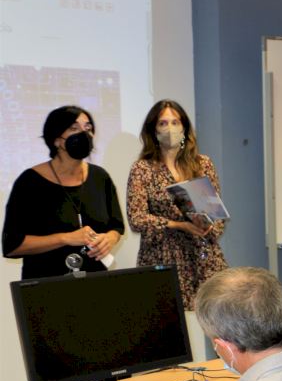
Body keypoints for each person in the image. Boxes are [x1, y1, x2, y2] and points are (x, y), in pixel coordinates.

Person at [126, 99, 228, 309]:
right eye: (163, 123)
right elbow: (137, 219)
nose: (170, 128)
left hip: (203, 258)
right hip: (163, 257)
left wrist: (208, 225)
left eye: (175, 122)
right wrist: (178, 225)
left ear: (184, 127)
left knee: (212, 318)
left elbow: (216, 217)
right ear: (153, 129)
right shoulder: (142, 169)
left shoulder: (202, 164)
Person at [2, 106, 124, 279]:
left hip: (95, 281)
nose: (84, 134)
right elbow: (12, 246)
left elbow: (116, 227)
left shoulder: (100, 177)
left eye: (88, 128)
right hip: (45, 284)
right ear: (57, 140)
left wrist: (109, 239)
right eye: (74, 128)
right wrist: (66, 238)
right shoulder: (29, 182)